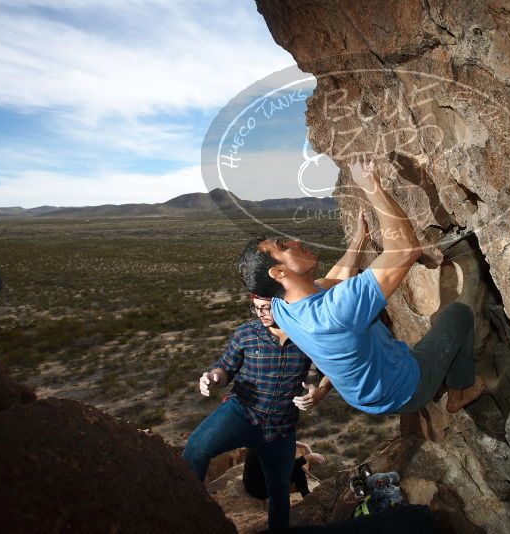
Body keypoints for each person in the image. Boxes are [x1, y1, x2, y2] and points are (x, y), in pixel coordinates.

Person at [236, 155, 484, 417]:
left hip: (366, 397)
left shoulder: (282, 307)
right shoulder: (337, 311)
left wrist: (359, 241)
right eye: (283, 247)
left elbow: (329, 282)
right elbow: (404, 250)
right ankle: (459, 392)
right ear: (278, 272)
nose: (295, 242)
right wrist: (370, 184)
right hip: (405, 391)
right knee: (459, 316)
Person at [181, 296, 331, 530]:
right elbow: (225, 368)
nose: (260, 313)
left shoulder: (308, 335)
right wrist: (212, 378)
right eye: (256, 308)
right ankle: (186, 515)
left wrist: (320, 393)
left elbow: (330, 369)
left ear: (284, 304)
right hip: (242, 413)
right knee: (196, 448)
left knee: (279, 488)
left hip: (281, 426)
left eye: (267, 308)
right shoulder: (246, 333)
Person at [243, 441, 326, 500]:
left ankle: (306, 495)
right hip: (259, 489)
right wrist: (307, 458)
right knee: (296, 469)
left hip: (255, 480)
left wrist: (304, 445)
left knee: (297, 469)